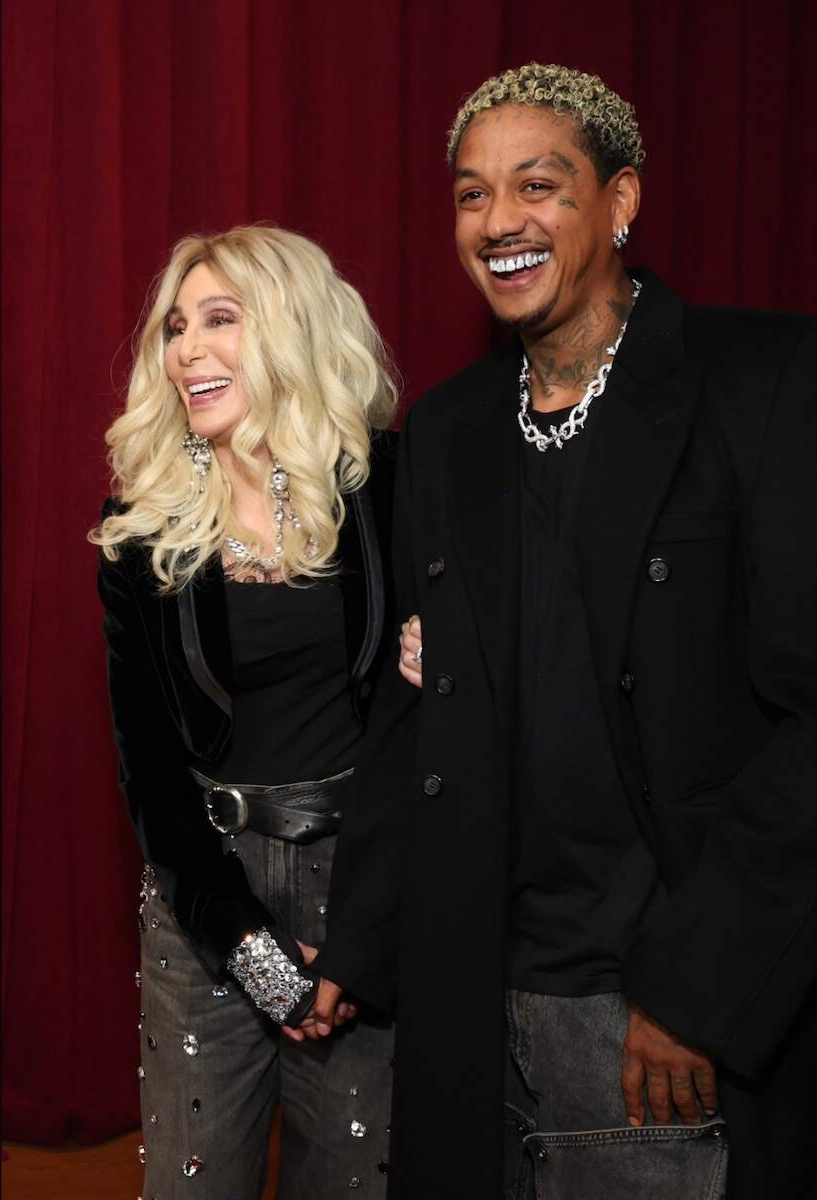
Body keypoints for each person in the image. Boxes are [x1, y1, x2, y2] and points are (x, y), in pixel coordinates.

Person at [312, 64, 817, 1199]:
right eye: (470, 194)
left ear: (621, 201)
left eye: (537, 186)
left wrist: (702, 991)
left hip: (657, 1010)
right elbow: (416, 704)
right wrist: (358, 942)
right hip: (473, 990)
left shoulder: (762, 382)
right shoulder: (446, 432)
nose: (499, 223)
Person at [91, 225, 402, 1196]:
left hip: (373, 882)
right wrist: (259, 959)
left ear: (289, 327)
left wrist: (354, 941)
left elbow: (431, 727)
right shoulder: (139, 531)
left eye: (219, 319)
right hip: (207, 896)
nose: (186, 350)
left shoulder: (391, 487)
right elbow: (148, 771)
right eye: (176, 327)